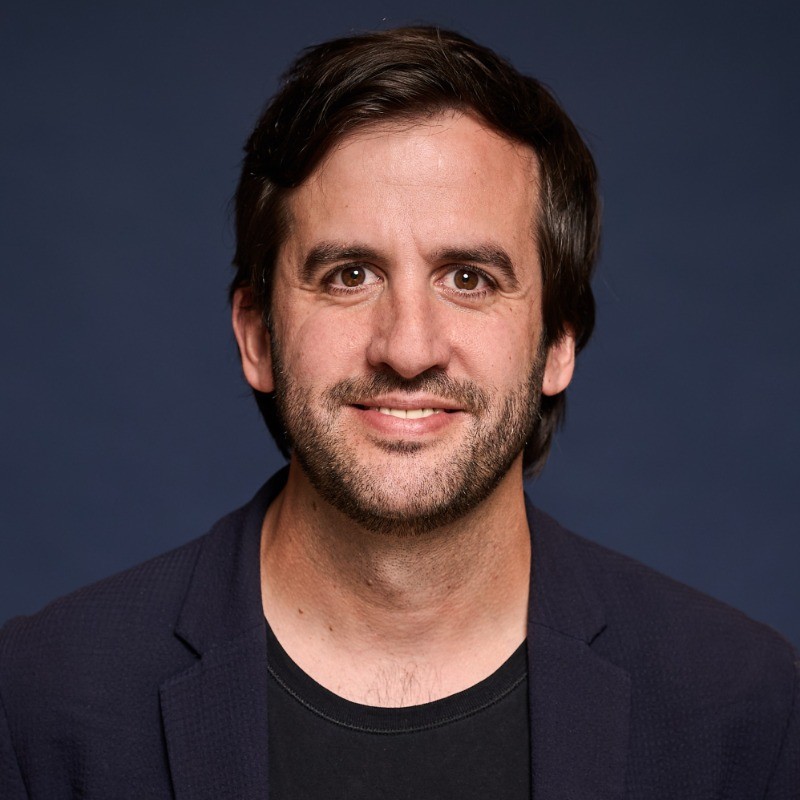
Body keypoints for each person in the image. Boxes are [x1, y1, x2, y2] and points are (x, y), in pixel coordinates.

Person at [1, 25, 797, 799]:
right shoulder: (40, 703)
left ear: (558, 341)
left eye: (470, 279)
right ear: (258, 336)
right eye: (349, 275)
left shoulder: (744, 714)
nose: (409, 349)